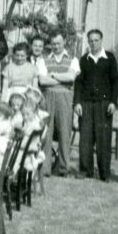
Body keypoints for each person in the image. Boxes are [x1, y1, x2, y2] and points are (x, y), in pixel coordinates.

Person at [74, 29, 118, 181]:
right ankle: (85, 170)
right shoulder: (83, 60)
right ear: (88, 42)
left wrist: (113, 102)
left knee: (103, 138)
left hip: (104, 104)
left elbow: (115, 82)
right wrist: (77, 103)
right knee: (85, 138)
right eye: (91, 40)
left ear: (101, 41)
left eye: (96, 40)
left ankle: (104, 173)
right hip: (86, 104)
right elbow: (78, 84)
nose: (94, 43)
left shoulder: (110, 58)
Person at [38, 32, 80, 177]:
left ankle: (63, 167)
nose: (56, 46)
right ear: (50, 44)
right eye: (53, 43)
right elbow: (42, 81)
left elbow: (71, 77)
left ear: (64, 43)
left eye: (59, 43)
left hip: (65, 98)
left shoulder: (73, 59)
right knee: (46, 132)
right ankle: (45, 167)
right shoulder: (43, 60)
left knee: (64, 131)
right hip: (48, 96)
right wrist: (63, 80)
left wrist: (53, 75)